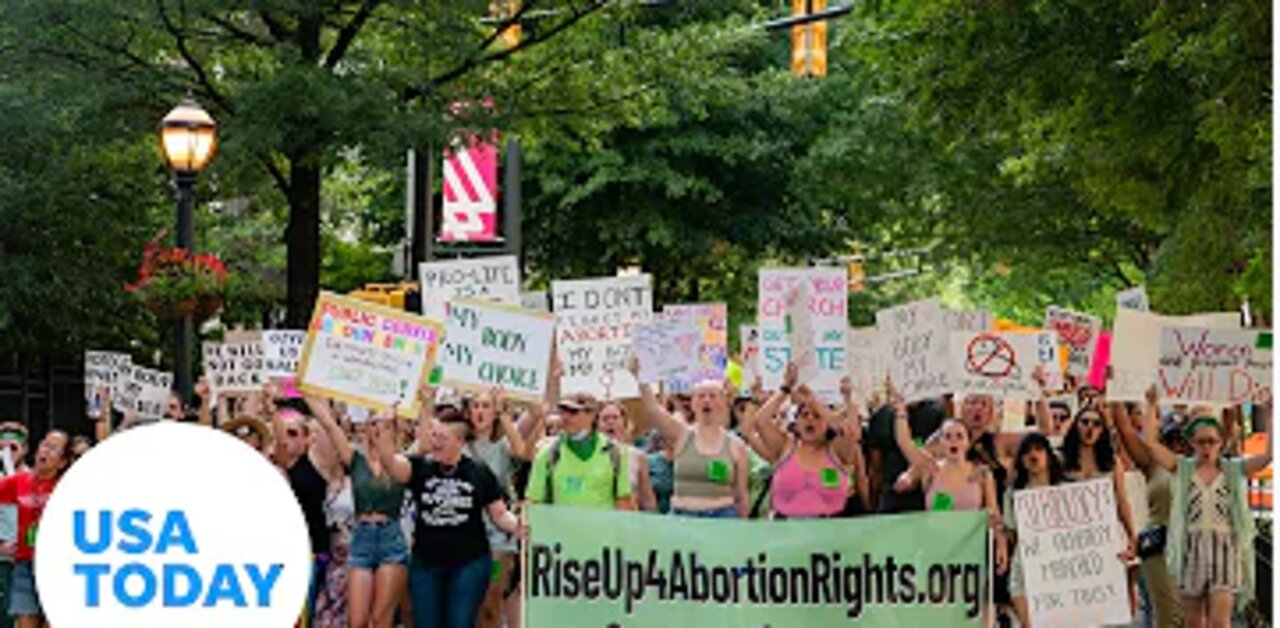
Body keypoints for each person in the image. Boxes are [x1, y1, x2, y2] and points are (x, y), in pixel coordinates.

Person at [372, 406, 525, 628]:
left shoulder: (479, 471)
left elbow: (499, 513)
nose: (436, 442)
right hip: (426, 564)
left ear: (460, 442)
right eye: (434, 436)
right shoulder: (421, 466)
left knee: (459, 623)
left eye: (442, 438)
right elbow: (391, 464)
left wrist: (516, 526)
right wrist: (386, 430)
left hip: (469, 564)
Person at [1143, 396, 1271, 628]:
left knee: (1220, 622)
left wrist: (1271, 416)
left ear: (1221, 442)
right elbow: (1151, 445)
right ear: (1191, 441)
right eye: (1201, 441)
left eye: (1212, 441)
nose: (1206, 447)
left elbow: (1266, 457)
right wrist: (1151, 404)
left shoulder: (1233, 469)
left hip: (1225, 547)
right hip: (1192, 546)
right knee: (1194, 623)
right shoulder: (1183, 468)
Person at [307, 394, 409, 628]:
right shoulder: (355, 459)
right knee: (357, 621)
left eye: (383, 424)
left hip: (390, 539)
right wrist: (305, 388)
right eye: (372, 423)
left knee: (380, 620)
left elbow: (424, 439)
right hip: (361, 538)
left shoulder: (403, 461)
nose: (376, 429)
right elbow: (330, 425)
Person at [889, 391, 1008, 573]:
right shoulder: (931, 469)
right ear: (940, 443)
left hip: (970, 554)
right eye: (948, 436)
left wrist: (1000, 544)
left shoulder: (982, 473)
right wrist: (900, 412)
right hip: (936, 553)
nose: (954, 441)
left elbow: (994, 514)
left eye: (959, 436)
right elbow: (905, 443)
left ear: (968, 443)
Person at [461, 386, 545, 628]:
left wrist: (505, 414)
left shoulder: (502, 446)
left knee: (492, 601)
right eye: (475, 406)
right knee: (470, 604)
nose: (480, 411)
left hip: (498, 536)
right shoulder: (459, 446)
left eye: (486, 406)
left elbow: (522, 452)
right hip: (465, 537)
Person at [738, 364, 862, 519]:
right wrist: (785, 388)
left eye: (817, 417)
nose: (810, 419)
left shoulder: (836, 451)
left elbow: (850, 431)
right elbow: (760, 422)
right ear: (795, 423)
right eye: (804, 415)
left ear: (827, 424)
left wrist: (817, 403)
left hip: (828, 532)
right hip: (787, 531)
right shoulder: (786, 446)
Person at [630, 356, 748, 518]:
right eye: (701, 396)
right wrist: (640, 378)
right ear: (693, 403)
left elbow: (741, 495)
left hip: (721, 520)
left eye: (713, 396)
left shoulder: (736, 446)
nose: (707, 400)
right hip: (682, 519)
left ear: (724, 402)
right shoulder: (681, 434)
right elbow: (654, 410)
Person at [1112, 390, 1187, 628]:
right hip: (1159, 548)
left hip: (1196, 547)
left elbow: (1227, 432)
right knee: (1168, 615)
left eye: (1184, 438)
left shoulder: (1205, 465)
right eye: (1173, 438)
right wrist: (1115, 390)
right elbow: (1125, 430)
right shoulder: (1153, 464)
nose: (1178, 444)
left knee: (1194, 618)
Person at [268, 395, 332, 626]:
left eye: (293, 433)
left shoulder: (318, 462)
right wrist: (270, 405)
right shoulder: (279, 466)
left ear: (308, 439)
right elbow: (279, 443)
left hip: (313, 553)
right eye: (284, 433)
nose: (287, 439)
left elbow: (328, 428)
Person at [0, 430, 74, 628]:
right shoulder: (19, 481)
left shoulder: (69, 486)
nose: (46, 451)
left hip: (59, 567)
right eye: (44, 444)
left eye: (54, 448)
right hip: (25, 565)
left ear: (63, 462)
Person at [526, 393, 632, 510]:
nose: (565, 417)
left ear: (591, 415)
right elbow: (532, 500)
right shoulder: (548, 453)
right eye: (562, 411)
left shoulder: (615, 452)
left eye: (573, 412)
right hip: (562, 527)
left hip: (602, 528)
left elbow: (623, 500)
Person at [597, 402, 658, 512]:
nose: (610, 422)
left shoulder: (637, 456)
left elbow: (647, 498)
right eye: (605, 419)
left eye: (615, 418)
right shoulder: (591, 455)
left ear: (624, 422)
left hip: (628, 521)